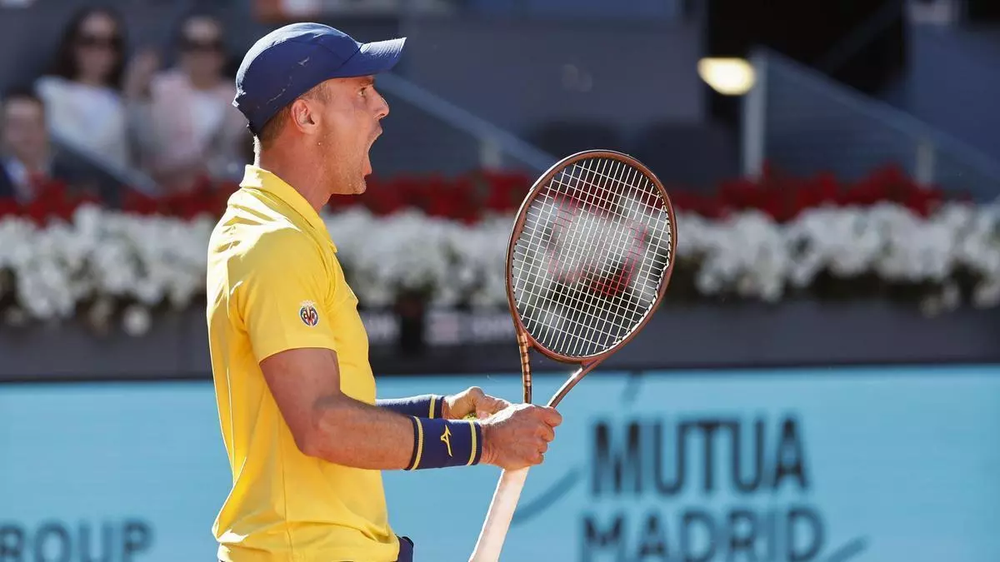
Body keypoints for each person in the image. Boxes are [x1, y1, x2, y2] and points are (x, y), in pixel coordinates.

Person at [205, 23, 561, 562]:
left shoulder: (273, 227)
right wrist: (486, 443)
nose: (382, 107)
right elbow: (322, 425)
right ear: (306, 116)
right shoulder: (274, 242)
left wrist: (440, 412)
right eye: (362, 92)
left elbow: (324, 409)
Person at [125, 11, 248, 192]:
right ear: (180, 50)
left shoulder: (238, 98)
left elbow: (237, 157)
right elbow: (143, 147)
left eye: (212, 46)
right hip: (161, 194)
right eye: (194, 46)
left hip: (217, 196)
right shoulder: (157, 90)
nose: (203, 54)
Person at [34, 6, 131, 172]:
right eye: (89, 41)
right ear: (72, 45)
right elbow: (80, 152)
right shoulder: (50, 91)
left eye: (111, 43)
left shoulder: (124, 99)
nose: (99, 51)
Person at [0, 87, 83, 202]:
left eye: (35, 123)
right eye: (17, 125)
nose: (27, 132)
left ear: (46, 128)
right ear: (3, 130)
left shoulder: (73, 180)